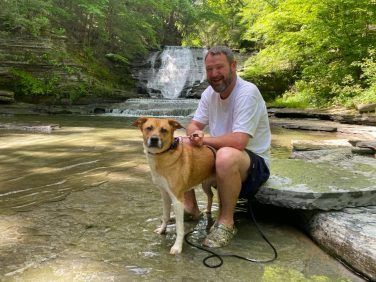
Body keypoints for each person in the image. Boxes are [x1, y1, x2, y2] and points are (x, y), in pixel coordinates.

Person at [184, 46, 271, 248]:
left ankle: (226, 223)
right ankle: (190, 208)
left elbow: (240, 141)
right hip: (223, 157)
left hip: (254, 167)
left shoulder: (247, 93)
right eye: (209, 69)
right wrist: (193, 136)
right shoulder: (209, 93)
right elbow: (194, 125)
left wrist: (203, 140)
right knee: (183, 145)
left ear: (233, 66)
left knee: (225, 155)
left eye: (219, 68)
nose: (214, 74)